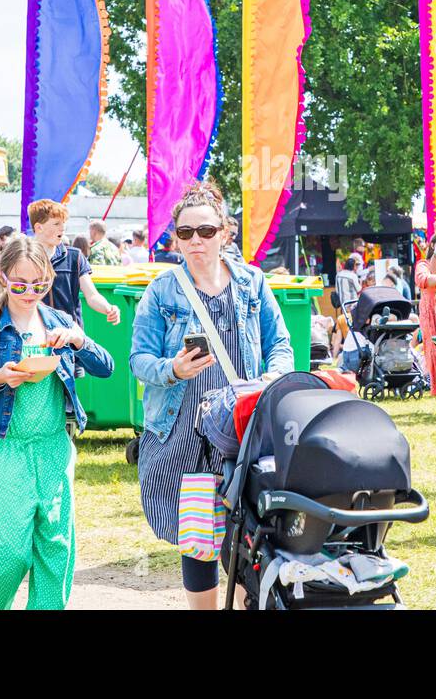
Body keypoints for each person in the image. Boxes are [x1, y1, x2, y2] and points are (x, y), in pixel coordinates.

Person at [129, 182, 293, 609]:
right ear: (175, 239)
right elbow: (138, 359)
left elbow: (281, 344)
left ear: (224, 232)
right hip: (184, 434)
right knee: (198, 537)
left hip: (243, 429)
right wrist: (172, 369)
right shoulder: (161, 291)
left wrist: (271, 378)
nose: (196, 241)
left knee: (248, 533)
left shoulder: (252, 283)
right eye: (185, 233)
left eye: (205, 231)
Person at [0, 237, 114, 609]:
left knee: (56, 549)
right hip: (4, 448)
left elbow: (106, 368)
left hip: (54, 447)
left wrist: (79, 341)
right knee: (5, 555)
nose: (30, 292)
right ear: (3, 276)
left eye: (39, 284)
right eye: (20, 284)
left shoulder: (60, 323)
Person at [28, 200, 121, 328]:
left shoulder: (75, 257)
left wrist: (108, 308)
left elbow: (92, 295)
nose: (62, 228)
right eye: (56, 223)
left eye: (63, 223)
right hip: (35, 336)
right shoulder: (24, 258)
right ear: (39, 227)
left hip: (71, 338)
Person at [414, 236, 436, 409]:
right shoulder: (423, 264)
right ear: (434, 246)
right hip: (430, 316)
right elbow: (423, 280)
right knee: (435, 355)